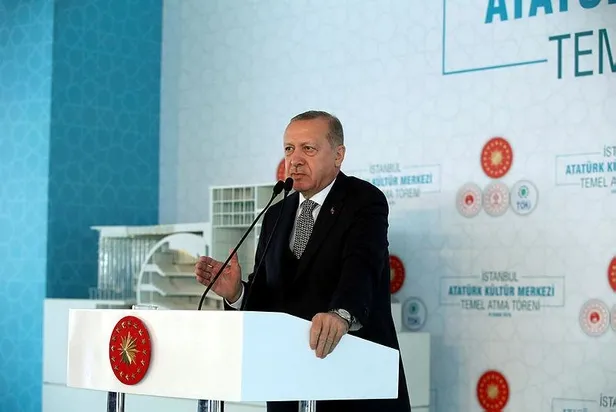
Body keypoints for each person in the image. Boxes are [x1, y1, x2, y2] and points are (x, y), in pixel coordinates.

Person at [195, 110, 412, 412]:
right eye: (289, 149)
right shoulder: (275, 214)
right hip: (288, 383)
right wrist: (237, 293)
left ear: (338, 155)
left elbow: (361, 267)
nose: (294, 160)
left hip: (352, 381)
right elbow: (269, 297)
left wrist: (340, 314)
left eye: (308, 149)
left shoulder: (363, 200)